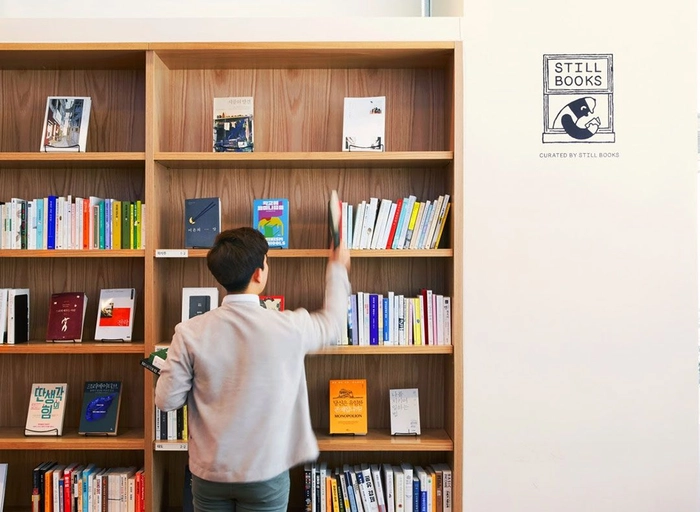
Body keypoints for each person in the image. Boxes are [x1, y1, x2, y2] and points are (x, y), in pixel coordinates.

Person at [154, 226, 351, 512]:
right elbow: (333, 324)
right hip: (265, 474)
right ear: (259, 274)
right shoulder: (289, 327)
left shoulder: (189, 332)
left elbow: (166, 400)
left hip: (210, 474)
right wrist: (337, 269)